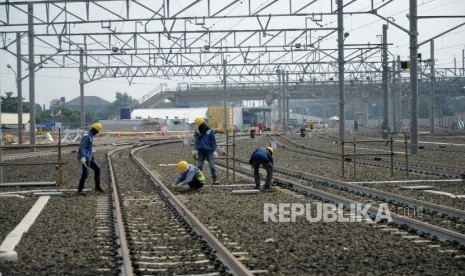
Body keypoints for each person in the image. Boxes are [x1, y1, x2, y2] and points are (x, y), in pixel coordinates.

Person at [77, 123, 104, 195]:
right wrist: (83, 156)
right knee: (85, 174)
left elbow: (88, 148)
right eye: (97, 131)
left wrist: (91, 156)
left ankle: (97, 187)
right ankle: (79, 190)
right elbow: (83, 147)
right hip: (85, 158)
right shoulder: (87, 136)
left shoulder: (90, 135)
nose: (97, 133)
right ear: (95, 130)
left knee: (97, 169)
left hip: (90, 157)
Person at [192, 117, 219, 185]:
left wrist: (214, 150)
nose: (197, 126)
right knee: (199, 166)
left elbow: (213, 141)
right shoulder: (198, 132)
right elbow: (197, 142)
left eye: (198, 124)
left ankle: (214, 179)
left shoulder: (210, 131)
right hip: (201, 151)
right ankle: (198, 179)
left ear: (200, 124)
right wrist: (195, 149)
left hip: (209, 151)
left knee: (212, 166)